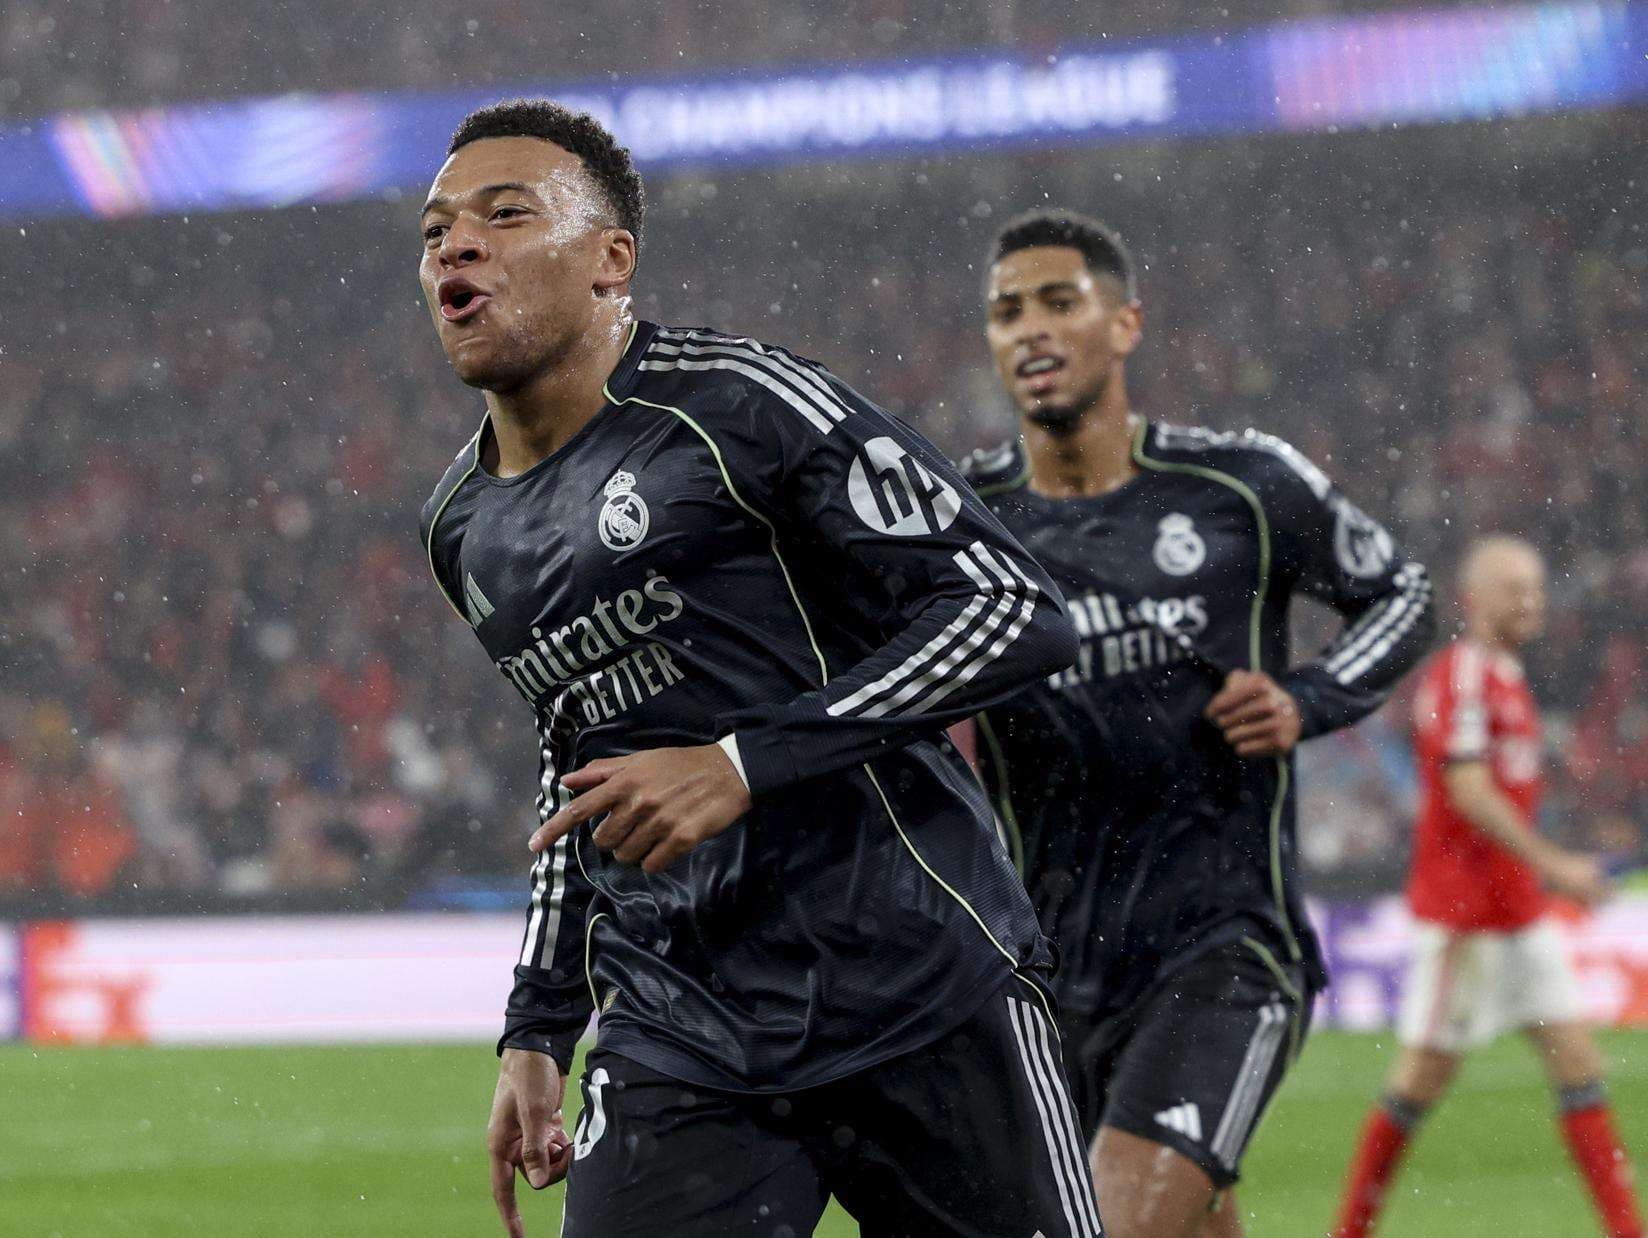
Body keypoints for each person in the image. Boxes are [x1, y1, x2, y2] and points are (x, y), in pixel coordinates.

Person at [416, 100, 1101, 1238]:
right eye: (435, 230)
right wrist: (537, 1023)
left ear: (609, 261)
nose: (456, 244)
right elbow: (574, 753)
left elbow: (1010, 604)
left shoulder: (739, 403)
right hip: (680, 1024)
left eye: (504, 214)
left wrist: (747, 760)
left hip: (916, 977)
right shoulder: (460, 522)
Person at [959, 209, 1434, 1237]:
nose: (1030, 329)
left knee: (1113, 1223)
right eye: (1006, 312)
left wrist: (1308, 697)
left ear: (1124, 323)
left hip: (1222, 948)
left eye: (1058, 301)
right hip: (1047, 968)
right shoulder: (961, 522)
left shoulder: (1241, 487)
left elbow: (1401, 593)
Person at [1332, 535, 1642, 1238]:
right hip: (1463, 917)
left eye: (1535, 585)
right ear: (1474, 599)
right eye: (1513, 588)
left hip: (1518, 915)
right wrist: (1554, 863)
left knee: (1580, 1063)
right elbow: (1466, 787)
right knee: (1418, 1081)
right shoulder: (1462, 675)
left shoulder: (1506, 674)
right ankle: (1348, 1232)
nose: (1530, 599)